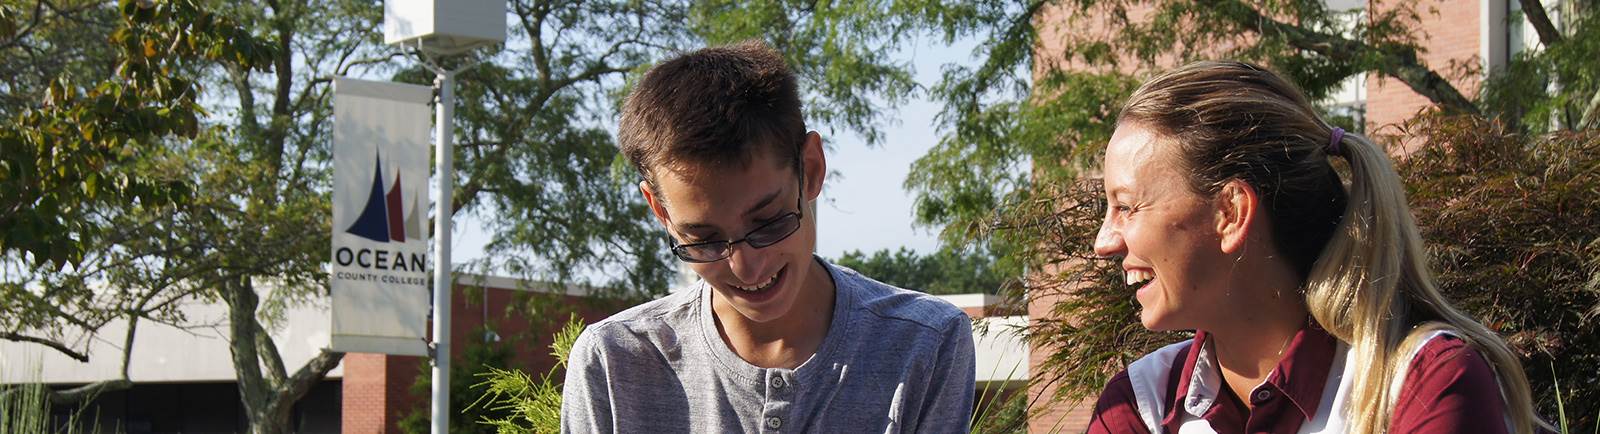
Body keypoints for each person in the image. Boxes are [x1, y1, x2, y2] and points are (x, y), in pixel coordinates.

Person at [1085, 61, 1547, 434]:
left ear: (1231, 212)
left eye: (1126, 207)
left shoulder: (1423, 384)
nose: (1103, 243)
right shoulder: (1140, 405)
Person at [559, 40, 976, 433]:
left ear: (810, 170)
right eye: (704, 240)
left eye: (769, 223)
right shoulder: (613, 362)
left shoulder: (925, 343)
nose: (746, 267)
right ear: (661, 211)